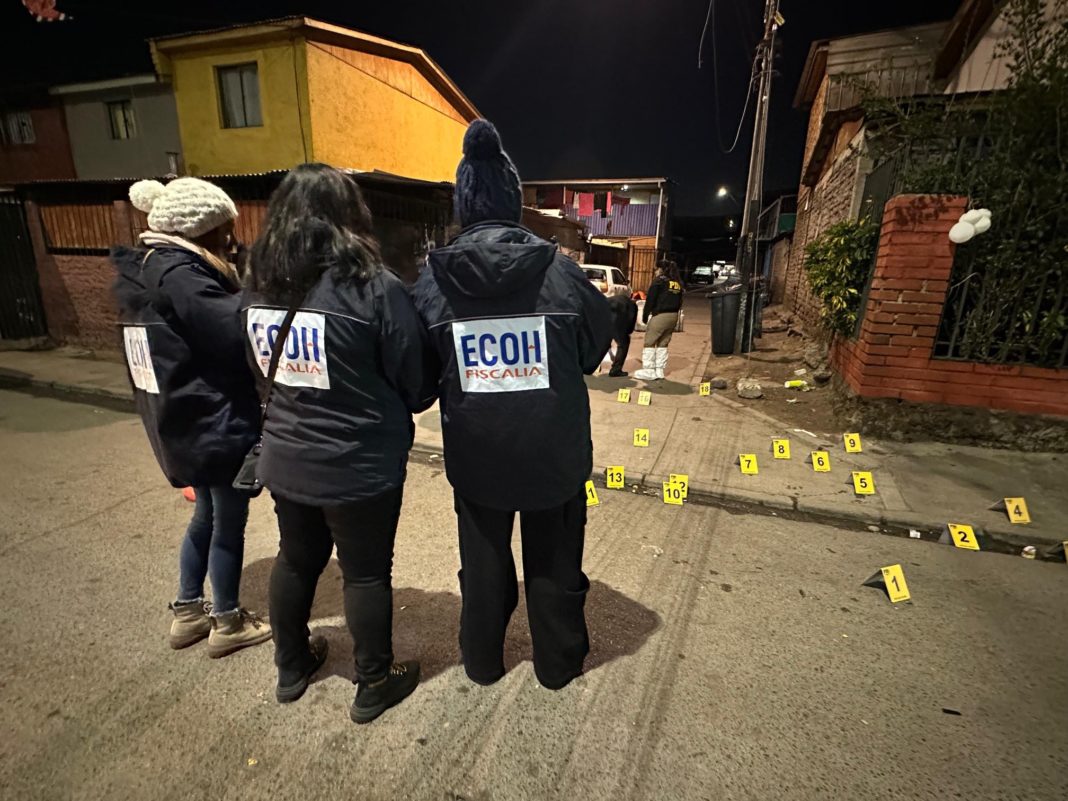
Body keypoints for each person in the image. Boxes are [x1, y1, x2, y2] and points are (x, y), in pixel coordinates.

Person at [412, 120, 613, 690]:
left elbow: (421, 370)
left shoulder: (434, 281)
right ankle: (557, 665)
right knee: (553, 563)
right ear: (512, 201)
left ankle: (481, 662)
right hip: (553, 454)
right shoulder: (562, 274)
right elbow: (593, 348)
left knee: (482, 566)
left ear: (464, 204)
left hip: (477, 459)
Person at [244, 163, 433, 723]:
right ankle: (374, 680)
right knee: (366, 573)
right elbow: (416, 381)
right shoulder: (373, 287)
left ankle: (291, 664)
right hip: (359, 464)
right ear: (349, 217)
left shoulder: (258, 288)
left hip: (287, 454)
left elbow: (257, 372)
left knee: (297, 559)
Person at [112, 178, 271, 657]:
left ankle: (187, 610)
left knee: (206, 515)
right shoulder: (182, 275)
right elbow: (233, 330)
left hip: (183, 421)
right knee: (228, 522)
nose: (231, 240)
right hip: (211, 421)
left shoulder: (150, 270)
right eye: (224, 230)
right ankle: (226, 620)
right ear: (201, 230)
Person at [633, 260, 684, 380]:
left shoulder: (659, 281)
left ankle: (649, 370)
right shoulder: (677, 283)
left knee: (650, 342)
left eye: (657, 269)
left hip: (660, 315)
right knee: (663, 343)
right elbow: (680, 301)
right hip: (673, 316)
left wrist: (645, 316)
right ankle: (660, 370)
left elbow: (650, 300)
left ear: (662, 269)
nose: (655, 271)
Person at [606, 293, 639, 377]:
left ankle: (589, 365)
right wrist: (625, 333)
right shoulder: (632, 305)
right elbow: (631, 324)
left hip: (604, 317)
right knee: (624, 343)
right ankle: (616, 370)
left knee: (603, 340)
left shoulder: (609, 299)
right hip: (619, 318)